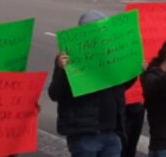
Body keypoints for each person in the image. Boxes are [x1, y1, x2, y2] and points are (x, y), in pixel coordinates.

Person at [49, 10, 133, 157]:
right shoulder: (69, 57)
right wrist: (62, 70)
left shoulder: (111, 55)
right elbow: (55, 93)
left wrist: (133, 71)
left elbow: (121, 87)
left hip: (111, 132)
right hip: (85, 134)